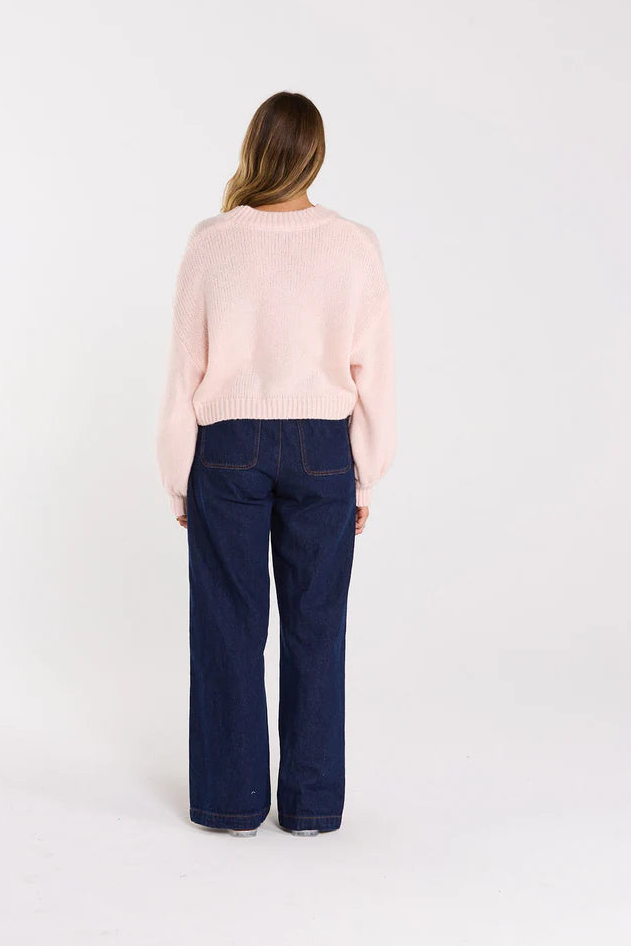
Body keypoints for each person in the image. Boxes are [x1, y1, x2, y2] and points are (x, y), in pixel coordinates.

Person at [156, 91, 397, 837]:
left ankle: (230, 803)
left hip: (227, 447)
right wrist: (366, 470)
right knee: (317, 626)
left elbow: (185, 369)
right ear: (315, 156)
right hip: (323, 448)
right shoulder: (354, 245)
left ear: (254, 148)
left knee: (227, 624)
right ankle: (311, 806)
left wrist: (178, 475)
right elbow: (373, 369)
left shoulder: (212, 241)